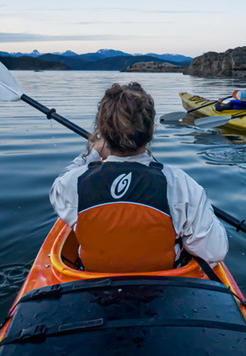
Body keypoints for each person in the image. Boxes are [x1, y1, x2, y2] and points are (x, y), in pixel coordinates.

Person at [50, 82, 229, 272]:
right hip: (165, 286)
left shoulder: (71, 183)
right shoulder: (180, 183)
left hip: (92, 285)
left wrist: (92, 154)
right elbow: (213, 252)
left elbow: (60, 186)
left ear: (102, 130)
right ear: (150, 131)